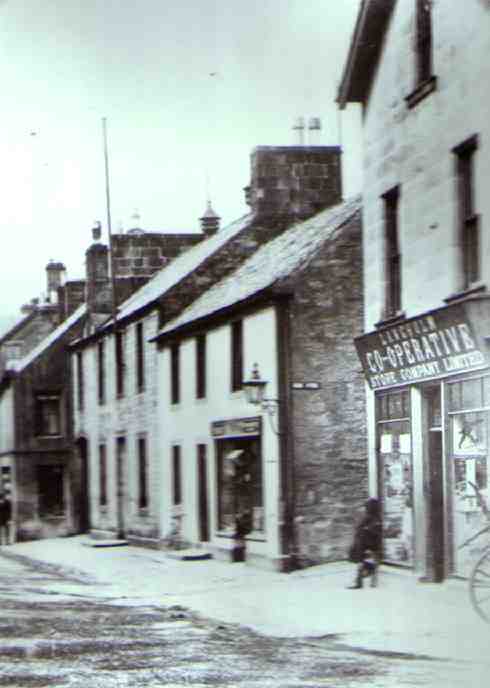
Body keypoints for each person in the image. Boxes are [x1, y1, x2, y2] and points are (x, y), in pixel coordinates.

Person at [347, 497, 382, 589]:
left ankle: (360, 581)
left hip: (366, 544)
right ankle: (366, 580)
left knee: (362, 562)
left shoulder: (370, 517)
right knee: (365, 562)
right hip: (369, 544)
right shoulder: (375, 517)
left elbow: (365, 530)